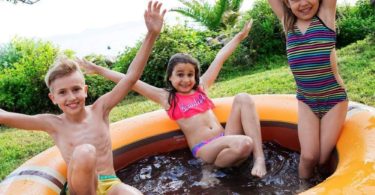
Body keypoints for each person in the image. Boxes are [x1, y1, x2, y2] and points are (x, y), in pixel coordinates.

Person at [0, 1, 166, 194]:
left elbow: (130, 78)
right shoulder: (53, 124)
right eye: (62, 93)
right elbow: (4, 116)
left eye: (76, 89)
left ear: (85, 90)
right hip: (82, 188)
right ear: (53, 98)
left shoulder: (100, 109)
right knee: (85, 151)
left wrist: (151, 34)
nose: (71, 97)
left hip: (110, 182)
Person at [80, 19, 267, 178]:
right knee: (244, 144)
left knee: (243, 98)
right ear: (170, 77)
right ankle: (209, 169)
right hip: (205, 149)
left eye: (190, 74)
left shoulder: (201, 87)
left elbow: (219, 58)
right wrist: (98, 69)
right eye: (180, 74)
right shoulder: (167, 98)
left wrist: (239, 36)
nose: (186, 80)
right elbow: (130, 81)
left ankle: (259, 159)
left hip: (224, 137)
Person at [267, 0, 348, 179]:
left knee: (321, 158)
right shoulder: (287, 24)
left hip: (334, 100)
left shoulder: (325, 17)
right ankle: (303, 188)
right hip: (306, 101)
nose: (303, 3)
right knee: (308, 156)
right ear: (287, 4)